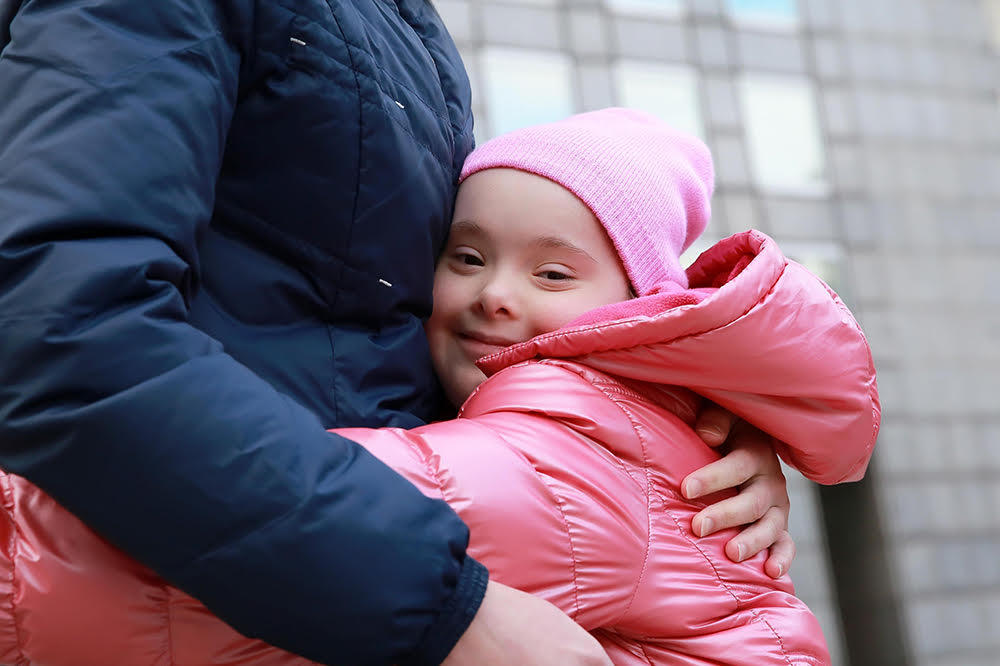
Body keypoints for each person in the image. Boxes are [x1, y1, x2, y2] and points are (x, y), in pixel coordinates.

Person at [0, 2, 793, 663]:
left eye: (552, 274)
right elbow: (58, 323)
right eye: (469, 257)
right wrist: (443, 609)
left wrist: (694, 415)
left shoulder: (415, 37)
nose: (495, 296)